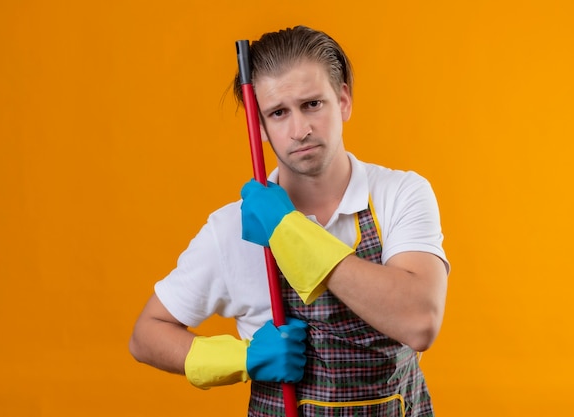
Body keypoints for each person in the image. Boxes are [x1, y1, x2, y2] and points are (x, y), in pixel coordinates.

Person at [129, 25, 449, 416]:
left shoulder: (399, 195)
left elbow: (419, 322)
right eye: (278, 113)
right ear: (259, 126)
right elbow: (145, 336)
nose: (300, 130)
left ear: (343, 100)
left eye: (312, 104)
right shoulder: (231, 229)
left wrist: (287, 230)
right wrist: (242, 359)